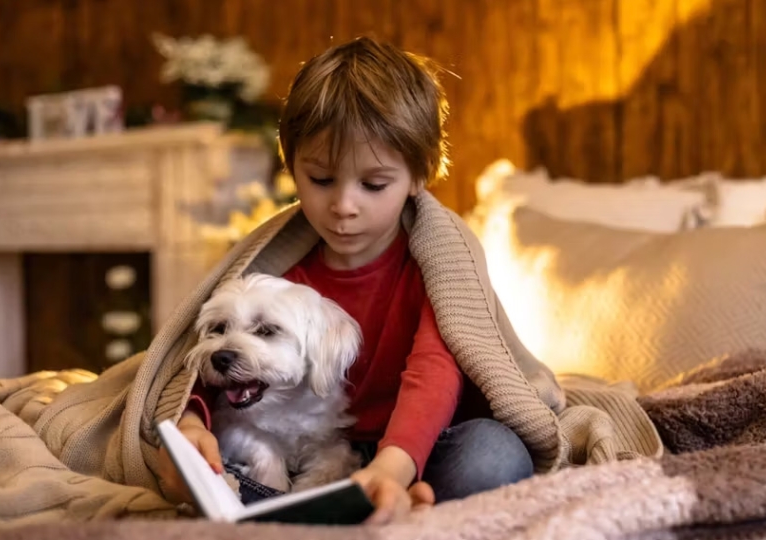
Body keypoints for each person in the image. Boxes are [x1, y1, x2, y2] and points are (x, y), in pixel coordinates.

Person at [156, 36, 534, 525]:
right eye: (320, 180)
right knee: (198, 465)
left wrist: (391, 468)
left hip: (415, 443)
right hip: (302, 442)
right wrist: (190, 424)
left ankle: (373, 502)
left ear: (419, 176)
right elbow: (211, 364)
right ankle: (351, 514)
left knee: (494, 455)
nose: (344, 207)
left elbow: (434, 373)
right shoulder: (274, 272)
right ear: (293, 168)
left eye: (373, 185)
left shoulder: (437, 266)